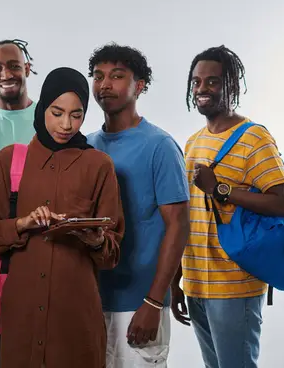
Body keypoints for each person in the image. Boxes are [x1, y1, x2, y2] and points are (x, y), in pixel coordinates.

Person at [0, 67, 125, 368]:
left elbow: (113, 255)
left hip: (76, 327)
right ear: (42, 108)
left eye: (76, 115)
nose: (66, 124)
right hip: (20, 324)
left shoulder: (99, 166)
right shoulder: (9, 160)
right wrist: (22, 224)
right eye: (57, 112)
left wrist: (95, 242)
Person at [171, 45, 284, 368]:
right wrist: (177, 278)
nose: (201, 89)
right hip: (196, 281)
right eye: (196, 82)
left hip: (234, 284)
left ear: (232, 85)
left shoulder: (254, 138)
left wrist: (220, 189)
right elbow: (189, 215)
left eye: (212, 82)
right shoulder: (194, 142)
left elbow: (282, 204)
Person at [86, 43, 191, 368]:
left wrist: (154, 301)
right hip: (91, 301)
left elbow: (178, 225)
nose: (105, 85)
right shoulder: (87, 146)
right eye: (98, 76)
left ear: (139, 85)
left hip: (139, 304)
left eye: (117, 76)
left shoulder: (159, 146)